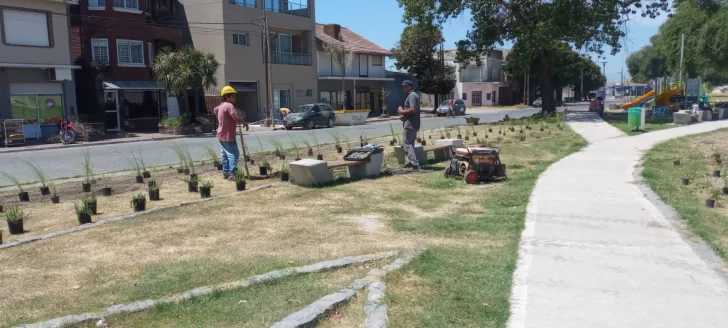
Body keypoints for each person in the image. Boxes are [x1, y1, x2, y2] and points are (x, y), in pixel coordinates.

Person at [214, 86, 249, 179]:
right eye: (233, 96)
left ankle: (226, 172)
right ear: (227, 96)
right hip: (228, 134)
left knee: (225, 154)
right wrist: (244, 122)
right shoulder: (229, 106)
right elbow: (235, 117)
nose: (235, 98)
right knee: (234, 153)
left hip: (221, 134)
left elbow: (215, 109)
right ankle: (232, 173)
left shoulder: (221, 106)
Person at [398, 80, 420, 169]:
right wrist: (404, 116)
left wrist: (401, 111)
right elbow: (411, 111)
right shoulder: (412, 95)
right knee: (410, 144)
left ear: (409, 87)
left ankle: (413, 163)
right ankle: (409, 163)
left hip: (410, 124)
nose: (402, 88)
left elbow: (413, 109)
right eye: (402, 86)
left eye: (404, 86)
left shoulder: (412, 96)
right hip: (411, 123)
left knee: (408, 144)